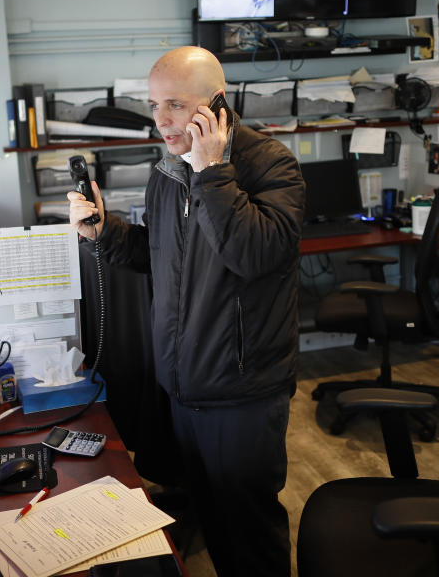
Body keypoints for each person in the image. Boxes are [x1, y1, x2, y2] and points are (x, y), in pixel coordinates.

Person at [68, 46, 305, 577]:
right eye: (154, 105)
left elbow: (251, 254)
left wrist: (213, 170)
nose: (161, 121)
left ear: (216, 104)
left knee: (249, 534)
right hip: (185, 384)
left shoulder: (271, 166)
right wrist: (104, 232)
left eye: (174, 105)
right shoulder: (168, 171)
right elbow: (161, 256)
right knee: (214, 523)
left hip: (242, 392)